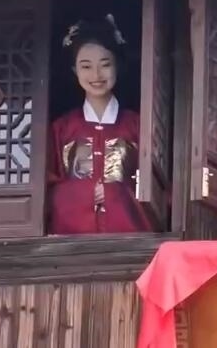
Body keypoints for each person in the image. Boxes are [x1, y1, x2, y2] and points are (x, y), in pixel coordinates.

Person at [47, 15, 154, 234]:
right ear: (75, 70)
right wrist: (85, 194)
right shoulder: (61, 129)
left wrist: (114, 193)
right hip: (72, 241)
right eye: (86, 66)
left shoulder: (138, 125)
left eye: (105, 64)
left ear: (117, 66)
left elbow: (158, 188)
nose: (96, 75)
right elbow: (47, 188)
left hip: (130, 239)